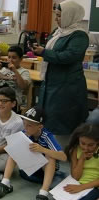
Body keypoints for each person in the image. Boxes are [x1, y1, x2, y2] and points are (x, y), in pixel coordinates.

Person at [31, 1, 89, 135]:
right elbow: (52, 51)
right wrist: (39, 50)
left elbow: (69, 56)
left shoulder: (79, 35)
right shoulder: (58, 32)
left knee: (61, 121)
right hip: (51, 83)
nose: (56, 19)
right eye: (56, 15)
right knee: (46, 118)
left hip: (66, 86)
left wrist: (44, 53)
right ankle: (46, 148)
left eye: (59, 16)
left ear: (70, 15)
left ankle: (60, 152)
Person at [0, 107, 67, 200]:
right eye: (24, 124)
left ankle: (43, 193)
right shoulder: (25, 133)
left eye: (29, 125)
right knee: (15, 149)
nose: (25, 128)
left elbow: (63, 157)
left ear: (40, 127)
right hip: (30, 167)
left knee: (50, 157)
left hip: (45, 170)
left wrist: (43, 149)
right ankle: (5, 183)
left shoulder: (47, 136)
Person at [63, 123, 99, 200]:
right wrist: (82, 159)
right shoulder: (75, 149)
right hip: (76, 183)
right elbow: (75, 177)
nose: (86, 148)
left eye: (91, 145)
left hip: (94, 187)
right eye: (83, 143)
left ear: (97, 142)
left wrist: (81, 187)